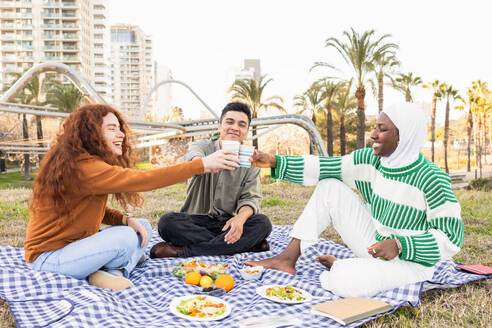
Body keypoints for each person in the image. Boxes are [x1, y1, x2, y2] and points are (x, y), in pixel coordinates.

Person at [245, 103, 464, 297]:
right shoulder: (371, 160)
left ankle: (346, 268)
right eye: (375, 127)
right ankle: (287, 258)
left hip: (412, 263)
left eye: (382, 129)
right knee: (329, 186)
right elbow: (326, 167)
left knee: (343, 281)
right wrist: (274, 161)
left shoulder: (432, 178)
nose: (373, 134)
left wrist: (400, 245)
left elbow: (452, 237)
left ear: (402, 136)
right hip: (374, 245)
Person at [25, 104, 239, 291]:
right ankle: (115, 269)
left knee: (141, 226)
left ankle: (107, 270)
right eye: (111, 129)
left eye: (120, 129)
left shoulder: (84, 164)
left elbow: (91, 209)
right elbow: (144, 179)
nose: (121, 135)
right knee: (127, 238)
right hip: (48, 260)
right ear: (90, 133)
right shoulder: (84, 168)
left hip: (74, 247)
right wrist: (200, 165)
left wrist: (125, 219)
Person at [150, 102, 272, 258]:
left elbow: (251, 198)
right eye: (229, 122)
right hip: (195, 222)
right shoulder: (201, 146)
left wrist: (240, 220)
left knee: (263, 223)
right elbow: (192, 158)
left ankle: (182, 251)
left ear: (247, 131)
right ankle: (242, 245)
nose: (235, 127)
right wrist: (206, 163)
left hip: (227, 223)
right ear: (219, 126)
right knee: (167, 222)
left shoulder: (251, 160)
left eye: (242, 124)